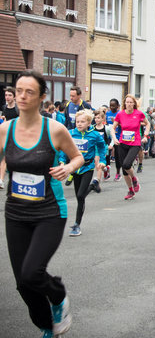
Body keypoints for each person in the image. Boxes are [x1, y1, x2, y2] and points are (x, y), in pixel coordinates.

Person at [1, 70, 84, 338]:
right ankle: (46, 326)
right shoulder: (5, 130)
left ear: (42, 97)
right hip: (15, 212)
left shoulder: (55, 129)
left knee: (32, 272)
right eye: (18, 90)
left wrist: (68, 168)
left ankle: (58, 296)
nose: (22, 96)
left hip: (49, 211)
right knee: (23, 284)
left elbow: (78, 158)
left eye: (29, 92)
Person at [60, 110, 106, 236]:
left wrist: (102, 160)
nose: (79, 124)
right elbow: (64, 148)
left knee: (80, 196)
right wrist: (62, 160)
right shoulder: (71, 134)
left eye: (82, 122)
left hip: (87, 167)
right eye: (77, 121)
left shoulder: (95, 135)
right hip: (75, 168)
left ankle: (76, 225)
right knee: (79, 196)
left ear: (89, 123)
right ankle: (93, 186)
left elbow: (102, 147)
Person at [111, 94, 150, 200]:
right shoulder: (120, 114)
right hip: (122, 143)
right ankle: (131, 190)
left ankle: (134, 178)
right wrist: (114, 138)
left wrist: (145, 136)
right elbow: (113, 128)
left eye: (130, 102)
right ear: (124, 104)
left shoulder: (139, 114)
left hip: (135, 143)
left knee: (127, 164)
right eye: (127, 102)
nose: (128, 104)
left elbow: (148, 124)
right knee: (124, 170)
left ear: (134, 104)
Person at [0, 87, 19, 189]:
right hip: (6, 135)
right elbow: (4, 118)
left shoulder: (18, 108)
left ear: (14, 97)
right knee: (4, 158)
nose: (7, 97)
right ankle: (1, 180)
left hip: (17, 136)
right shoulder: (4, 107)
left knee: (12, 160)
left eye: (9, 95)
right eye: (6, 95)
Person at [92, 109, 114, 187]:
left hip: (103, 148)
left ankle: (97, 181)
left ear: (102, 119)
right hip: (94, 148)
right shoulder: (92, 128)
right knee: (98, 164)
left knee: (98, 164)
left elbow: (112, 137)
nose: (96, 119)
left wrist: (111, 145)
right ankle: (106, 169)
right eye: (95, 118)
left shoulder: (106, 128)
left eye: (98, 118)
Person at [106, 98, 122, 182]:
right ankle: (107, 172)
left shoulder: (120, 114)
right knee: (107, 155)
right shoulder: (107, 113)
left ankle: (118, 173)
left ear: (117, 106)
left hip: (118, 137)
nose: (111, 107)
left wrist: (117, 123)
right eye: (110, 105)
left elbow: (123, 125)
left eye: (113, 105)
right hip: (109, 137)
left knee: (117, 155)